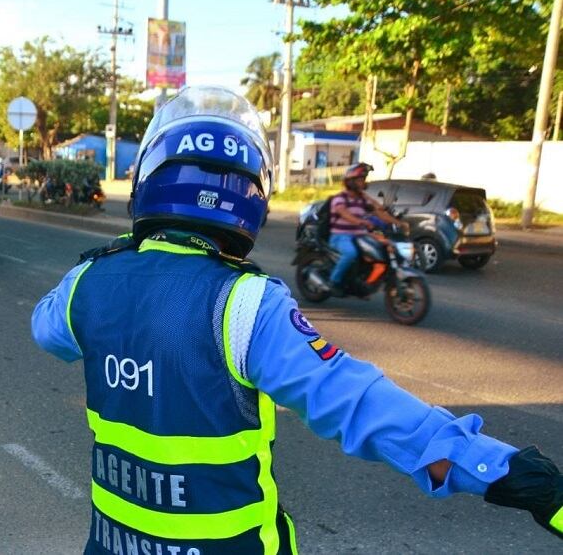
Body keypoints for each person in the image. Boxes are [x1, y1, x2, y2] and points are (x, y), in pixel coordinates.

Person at [31, 86, 563, 554]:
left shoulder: (88, 284)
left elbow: (46, 330)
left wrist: (124, 252)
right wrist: (503, 471)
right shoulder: (243, 304)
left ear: (150, 177)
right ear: (251, 197)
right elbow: (358, 404)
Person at [327, 162, 408, 296]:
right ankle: (333, 281)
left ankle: (365, 278)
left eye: (363, 179)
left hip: (360, 234)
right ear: (351, 181)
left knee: (386, 245)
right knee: (350, 254)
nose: (363, 182)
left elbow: (378, 212)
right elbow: (344, 213)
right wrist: (361, 221)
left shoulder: (362, 199)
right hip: (341, 235)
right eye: (360, 180)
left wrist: (398, 223)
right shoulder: (340, 198)